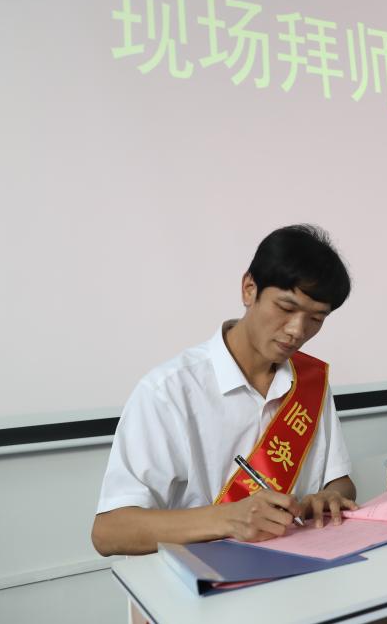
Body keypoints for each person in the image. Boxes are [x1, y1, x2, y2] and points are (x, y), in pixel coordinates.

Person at [91, 224, 358, 556]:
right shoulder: (169, 391)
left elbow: (339, 480)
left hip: (301, 566)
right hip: (206, 574)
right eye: (286, 308)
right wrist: (230, 518)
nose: (297, 330)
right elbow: (109, 532)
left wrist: (331, 497)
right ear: (249, 289)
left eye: (316, 319)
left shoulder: (310, 381)